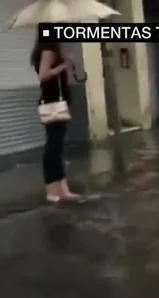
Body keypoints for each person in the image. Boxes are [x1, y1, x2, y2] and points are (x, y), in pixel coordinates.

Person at [30, 39, 81, 203]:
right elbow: (43, 75)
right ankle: (52, 189)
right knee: (53, 147)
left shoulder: (52, 49)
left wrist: (67, 61)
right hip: (53, 103)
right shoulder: (48, 50)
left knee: (57, 147)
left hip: (56, 102)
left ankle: (63, 189)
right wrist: (63, 65)